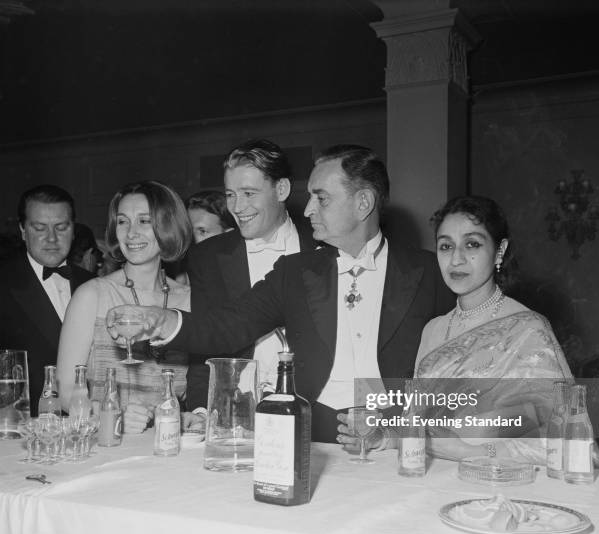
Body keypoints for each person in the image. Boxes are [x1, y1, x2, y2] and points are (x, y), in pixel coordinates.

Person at [108, 145, 453, 443]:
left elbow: (455, 372)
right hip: (310, 434)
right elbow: (228, 326)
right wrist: (162, 321)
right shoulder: (296, 272)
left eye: (322, 198)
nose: (307, 210)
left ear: (363, 203)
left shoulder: (430, 272)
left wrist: (399, 433)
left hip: (397, 440)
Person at [412, 195, 575, 464]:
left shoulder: (528, 328)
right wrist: (388, 436)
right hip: (431, 477)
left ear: (499, 251)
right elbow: (416, 423)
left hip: (502, 483)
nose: (456, 259)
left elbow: (566, 441)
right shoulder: (432, 330)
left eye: (472, 244)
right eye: (445, 246)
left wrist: (471, 453)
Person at [185, 139, 316, 410]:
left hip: (311, 407)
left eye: (248, 193)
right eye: (231, 194)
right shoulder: (207, 257)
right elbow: (203, 349)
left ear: (281, 189)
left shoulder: (322, 248)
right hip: (235, 408)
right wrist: (200, 411)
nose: (237, 207)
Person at [57, 180, 191, 432]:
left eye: (144, 221)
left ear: (168, 225)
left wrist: (191, 417)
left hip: (170, 447)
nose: (130, 233)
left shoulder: (190, 300)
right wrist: (111, 417)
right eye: (122, 221)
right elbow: (66, 392)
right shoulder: (92, 295)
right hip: (107, 447)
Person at [0, 185, 94, 414]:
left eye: (61, 227)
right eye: (40, 228)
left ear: (73, 229)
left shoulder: (94, 284)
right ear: (23, 230)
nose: (52, 238)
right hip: (20, 431)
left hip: (86, 426)